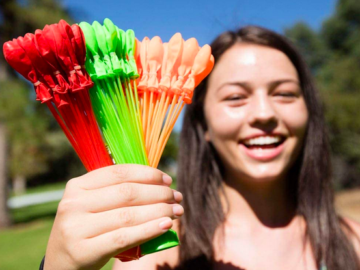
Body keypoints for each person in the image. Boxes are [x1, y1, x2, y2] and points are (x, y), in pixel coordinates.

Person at [43, 26, 360, 270]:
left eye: (285, 94)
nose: (265, 114)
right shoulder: (155, 249)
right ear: (203, 124)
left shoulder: (354, 243)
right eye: (236, 97)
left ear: (309, 112)